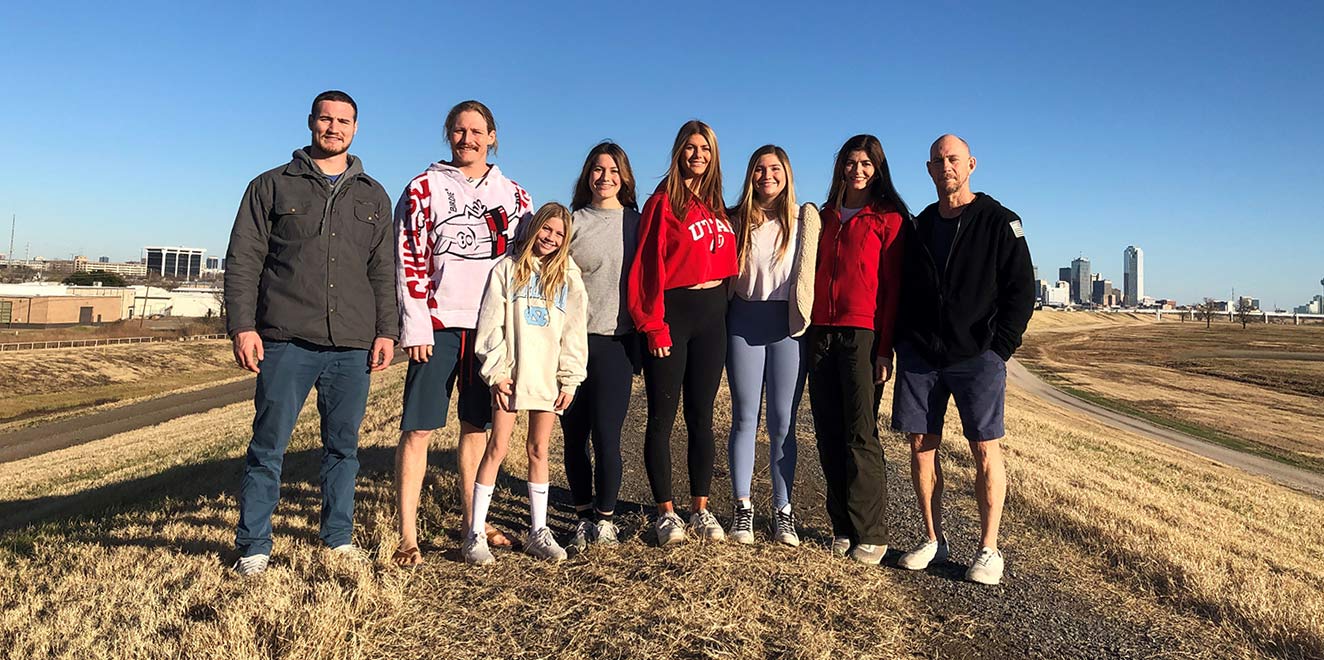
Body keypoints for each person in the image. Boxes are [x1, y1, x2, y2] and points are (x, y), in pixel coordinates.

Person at [224, 90, 398, 576]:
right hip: (285, 340)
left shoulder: (373, 194)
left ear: (356, 128)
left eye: (344, 121)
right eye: (326, 119)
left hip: (351, 345)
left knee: (343, 447)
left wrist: (387, 330)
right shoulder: (271, 186)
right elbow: (243, 260)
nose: (334, 128)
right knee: (267, 447)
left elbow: (383, 269)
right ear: (310, 122)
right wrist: (242, 325)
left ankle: (337, 537)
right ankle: (255, 546)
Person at [891, 134, 1034, 585]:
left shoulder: (999, 221)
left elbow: (1021, 293)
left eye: (953, 159)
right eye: (938, 161)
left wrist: (999, 349)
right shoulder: (920, 225)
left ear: (970, 164)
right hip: (921, 355)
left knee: (984, 449)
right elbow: (903, 288)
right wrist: (903, 341)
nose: (946, 166)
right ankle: (934, 539)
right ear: (929, 170)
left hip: (978, 357)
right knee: (920, 448)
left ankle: (989, 549)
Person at [393, 100, 532, 567]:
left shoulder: (516, 197)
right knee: (419, 428)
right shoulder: (422, 189)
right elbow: (408, 260)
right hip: (437, 326)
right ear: (448, 135)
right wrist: (415, 324)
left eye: (476, 131)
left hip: (491, 328)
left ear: (492, 136)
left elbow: (525, 266)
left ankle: (474, 522)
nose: (467, 139)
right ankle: (407, 534)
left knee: (476, 427)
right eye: (458, 130)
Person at [627, 120, 737, 545]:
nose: (698, 155)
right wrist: (652, 325)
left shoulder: (717, 206)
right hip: (674, 312)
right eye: (690, 148)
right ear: (678, 152)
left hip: (713, 316)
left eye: (705, 149)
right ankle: (666, 512)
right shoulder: (662, 203)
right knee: (662, 416)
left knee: (702, 418)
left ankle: (701, 509)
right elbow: (646, 268)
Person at [465, 202, 589, 565]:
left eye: (558, 234)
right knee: (497, 448)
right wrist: (497, 372)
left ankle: (538, 531)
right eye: (545, 229)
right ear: (534, 229)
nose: (550, 238)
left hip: (547, 377)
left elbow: (573, 332)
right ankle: (474, 532)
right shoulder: (506, 269)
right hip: (511, 376)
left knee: (539, 450)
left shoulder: (568, 277)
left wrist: (570, 378)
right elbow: (490, 326)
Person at [807, 134, 908, 565]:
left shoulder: (888, 218)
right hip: (819, 331)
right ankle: (842, 526)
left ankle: (872, 531)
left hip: (862, 334)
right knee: (828, 430)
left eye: (867, 163)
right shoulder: (823, 216)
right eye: (851, 162)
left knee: (860, 432)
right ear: (840, 167)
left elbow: (893, 289)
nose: (858, 170)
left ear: (878, 168)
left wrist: (885, 349)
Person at [724, 145, 819, 546]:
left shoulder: (804, 219)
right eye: (760, 169)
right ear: (751, 175)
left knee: (783, 423)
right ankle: (742, 508)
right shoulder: (733, 218)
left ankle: (783, 510)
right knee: (745, 418)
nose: (767, 176)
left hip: (787, 326)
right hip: (744, 320)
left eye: (775, 169)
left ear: (787, 174)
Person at [561, 142, 641, 552]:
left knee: (607, 435)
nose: (604, 177)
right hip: (570, 346)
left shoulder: (637, 223)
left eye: (613, 170)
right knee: (574, 436)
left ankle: (606, 520)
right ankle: (581, 516)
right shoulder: (571, 223)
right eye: (597, 169)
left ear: (624, 177)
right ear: (586, 175)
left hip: (616, 343)